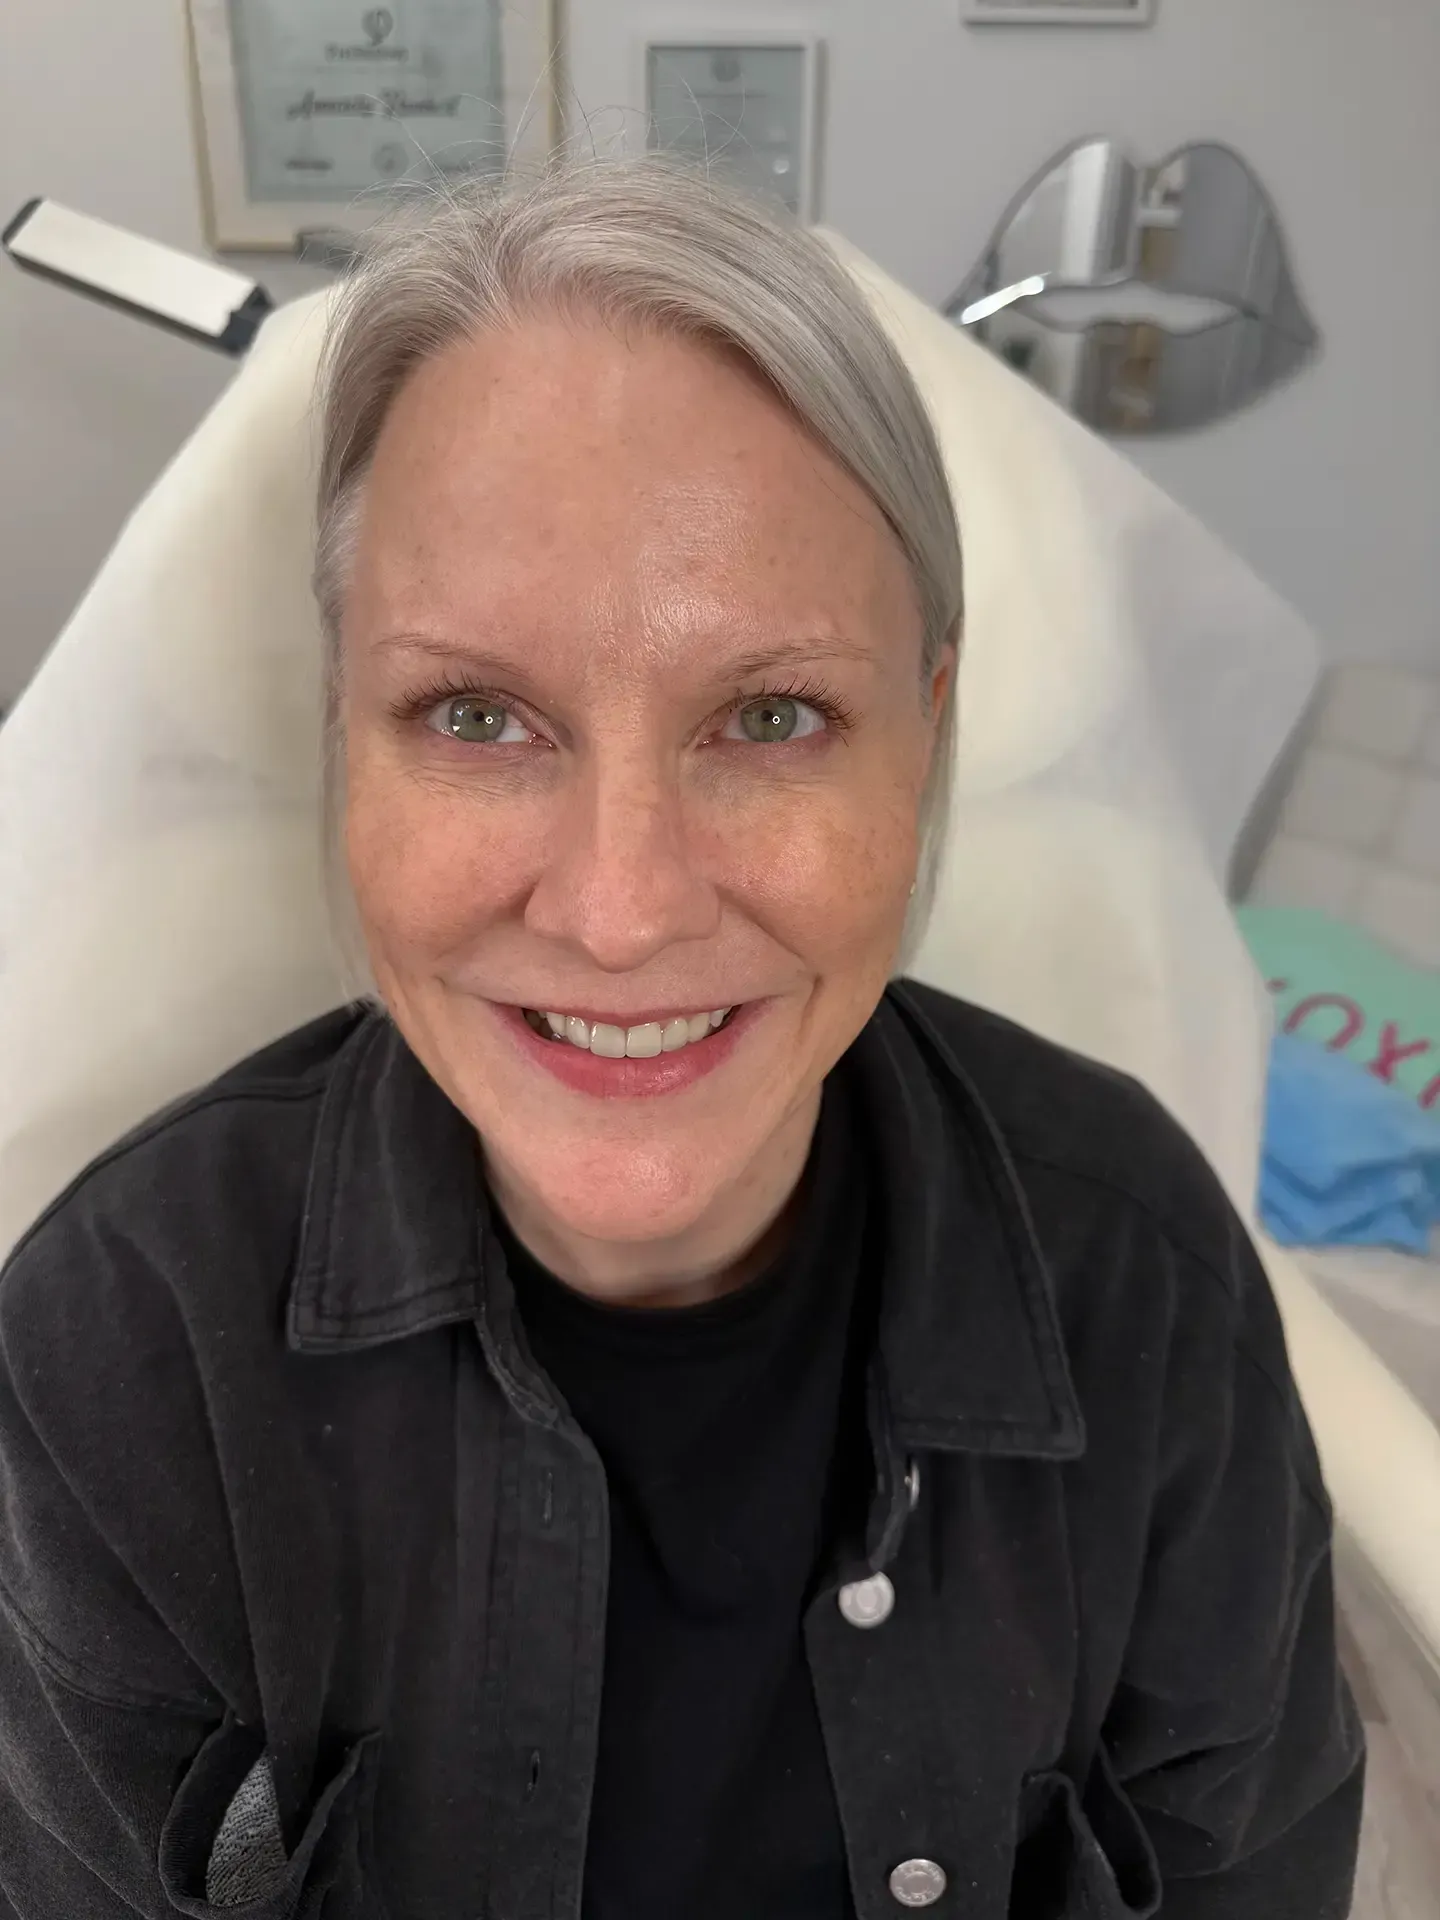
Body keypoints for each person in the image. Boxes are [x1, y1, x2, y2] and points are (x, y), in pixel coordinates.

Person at [0, 158, 1361, 1920]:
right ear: (343, 733)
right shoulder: (123, 1349)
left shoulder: (1143, 1282)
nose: (621, 910)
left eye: (773, 715)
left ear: (927, 733)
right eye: (475, 714)